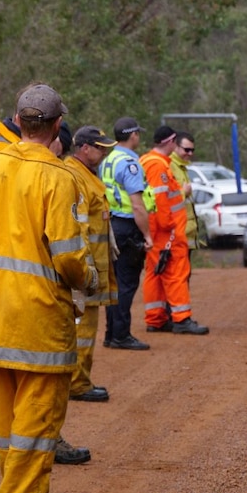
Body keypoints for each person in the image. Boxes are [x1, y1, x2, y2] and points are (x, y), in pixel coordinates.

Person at [0, 83, 98, 493]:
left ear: (18, 121)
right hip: (37, 317)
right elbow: (66, 255)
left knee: (8, 419)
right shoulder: (58, 177)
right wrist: (89, 277)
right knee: (37, 418)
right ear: (59, 125)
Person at [64, 126, 119, 403]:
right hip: (86, 269)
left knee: (85, 329)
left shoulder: (86, 174)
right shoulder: (76, 176)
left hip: (93, 265)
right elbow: (80, 227)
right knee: (83, 331)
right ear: (84, 148)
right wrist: (85, 269)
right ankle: (77, 383)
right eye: (99, 148)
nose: (103, 152)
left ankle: (78, 380)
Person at [140, 126, 208, 335]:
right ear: (170, 142)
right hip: (165, 230)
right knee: (176, 273)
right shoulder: (157, 165)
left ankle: (156, 318)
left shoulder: (147, 162)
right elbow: (160, 200)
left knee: (155, 273)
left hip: (156, 230)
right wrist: (169, 227)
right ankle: (181, 318)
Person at [101, 117, 154, 350]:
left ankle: (112, 333)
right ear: (133, 135)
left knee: (114, 283)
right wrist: (148, 235)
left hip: (110, 224)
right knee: (126, 283)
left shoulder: (108, 159)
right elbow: (137, 205)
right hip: (127, 226)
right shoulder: (130, 164)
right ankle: (121, 335)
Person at [169, 131, 199, 254]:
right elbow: (164, 198)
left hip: (187, 233)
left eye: (192, 150)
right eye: (186, 150)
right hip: (177, 234)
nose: (190, 153)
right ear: (175, 146)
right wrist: (184, 192)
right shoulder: (169, 166)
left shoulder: (182, 167)